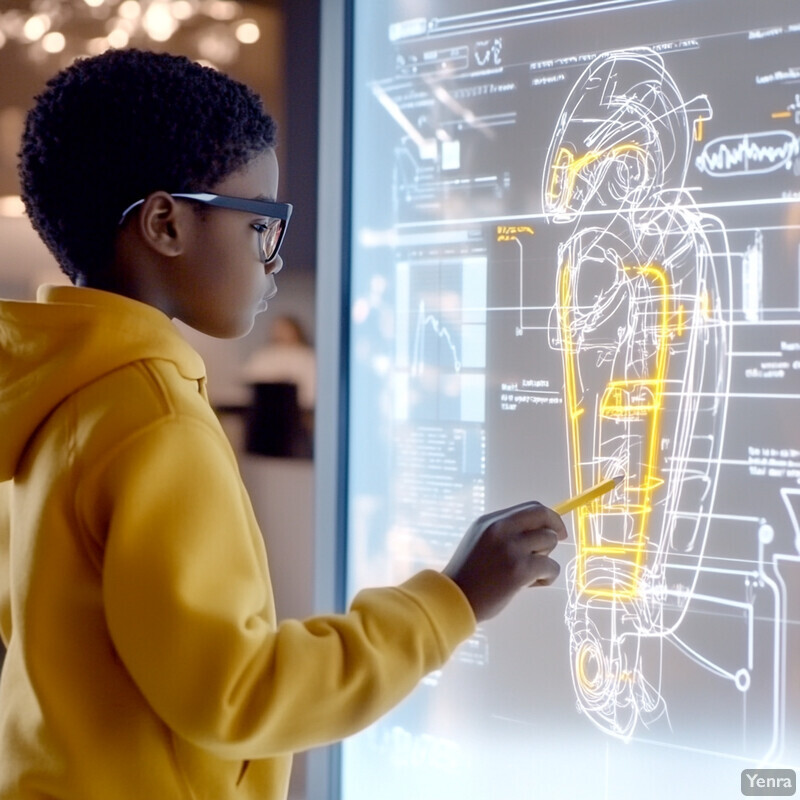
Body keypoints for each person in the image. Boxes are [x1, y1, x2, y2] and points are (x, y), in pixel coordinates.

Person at [0, 49, 566, 800]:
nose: (274, 260)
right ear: (166, 224)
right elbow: (240, 693)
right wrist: (453, 599)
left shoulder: (60, 398)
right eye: (262, 223)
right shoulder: (155, 422)